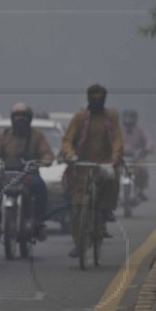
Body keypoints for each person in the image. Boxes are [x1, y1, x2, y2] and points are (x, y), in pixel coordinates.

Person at [60, 84, 124, 258]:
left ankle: (105, 211)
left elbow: (117, 139)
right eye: (93, 99)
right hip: (82, 165)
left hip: (103, 163)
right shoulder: (80, 117)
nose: (96, 102)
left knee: (111, 181)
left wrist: (115, 156)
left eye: (100, 99)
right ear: (88, 99)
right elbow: (68, 140)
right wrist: (70, 155)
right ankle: (80, 243)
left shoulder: (110, 117)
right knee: (77, 207)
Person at [0, 103, 54, 240]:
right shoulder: (4, 135)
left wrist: (46, 160)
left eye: (24, 116)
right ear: (12, 118)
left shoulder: (37, 135)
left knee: (40, 187)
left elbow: (46, 153)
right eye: (17, 116)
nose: (20, 119)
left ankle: (39, 223)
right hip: (7, 174)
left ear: (29, 119)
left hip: (29, 174)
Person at [121, 109, 153, 201]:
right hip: (120, 158)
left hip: (136, 158)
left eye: (130, 118)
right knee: (109, 174)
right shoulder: (118, 130)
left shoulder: (140, 130)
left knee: (143, 170)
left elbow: (148, 140)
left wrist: (148, 147)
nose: (128, 120)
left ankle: (140, 190)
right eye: (126, 118)